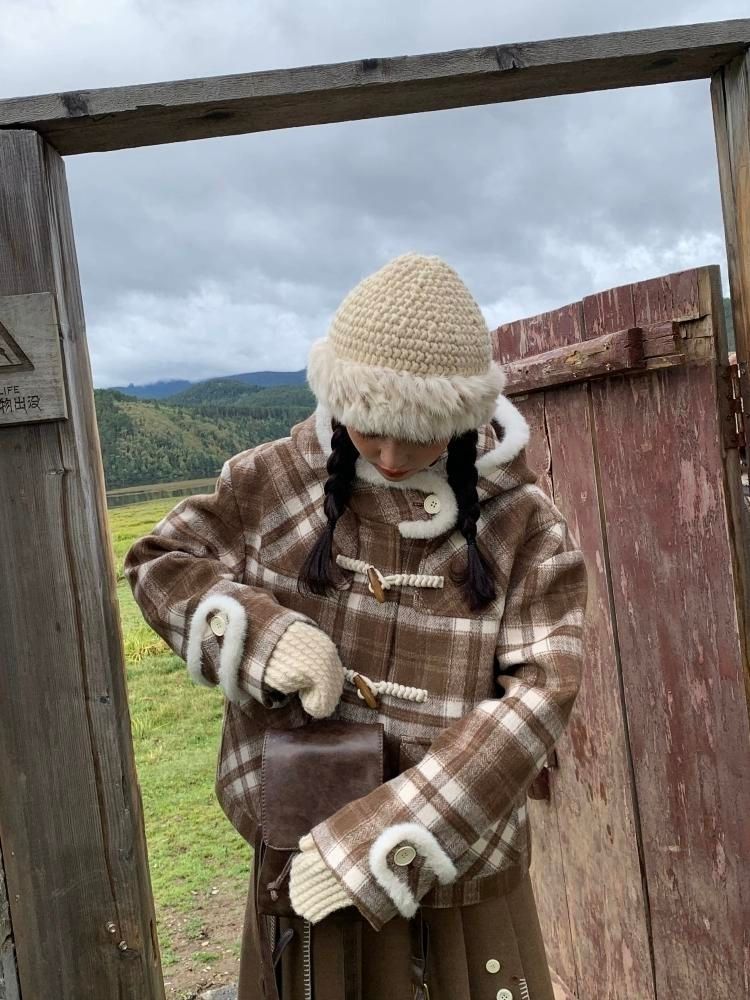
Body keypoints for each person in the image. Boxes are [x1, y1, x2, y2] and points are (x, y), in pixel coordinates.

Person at [124, 252, 588, 1000]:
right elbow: (161, 563)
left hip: (455, 860)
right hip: (300, 834)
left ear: (466, 417)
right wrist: (262, 638)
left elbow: (541, 694)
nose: (394, 457)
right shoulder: (272, 481)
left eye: (424, 433)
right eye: (371, 428)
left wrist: (384, 840)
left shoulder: (524, 524)